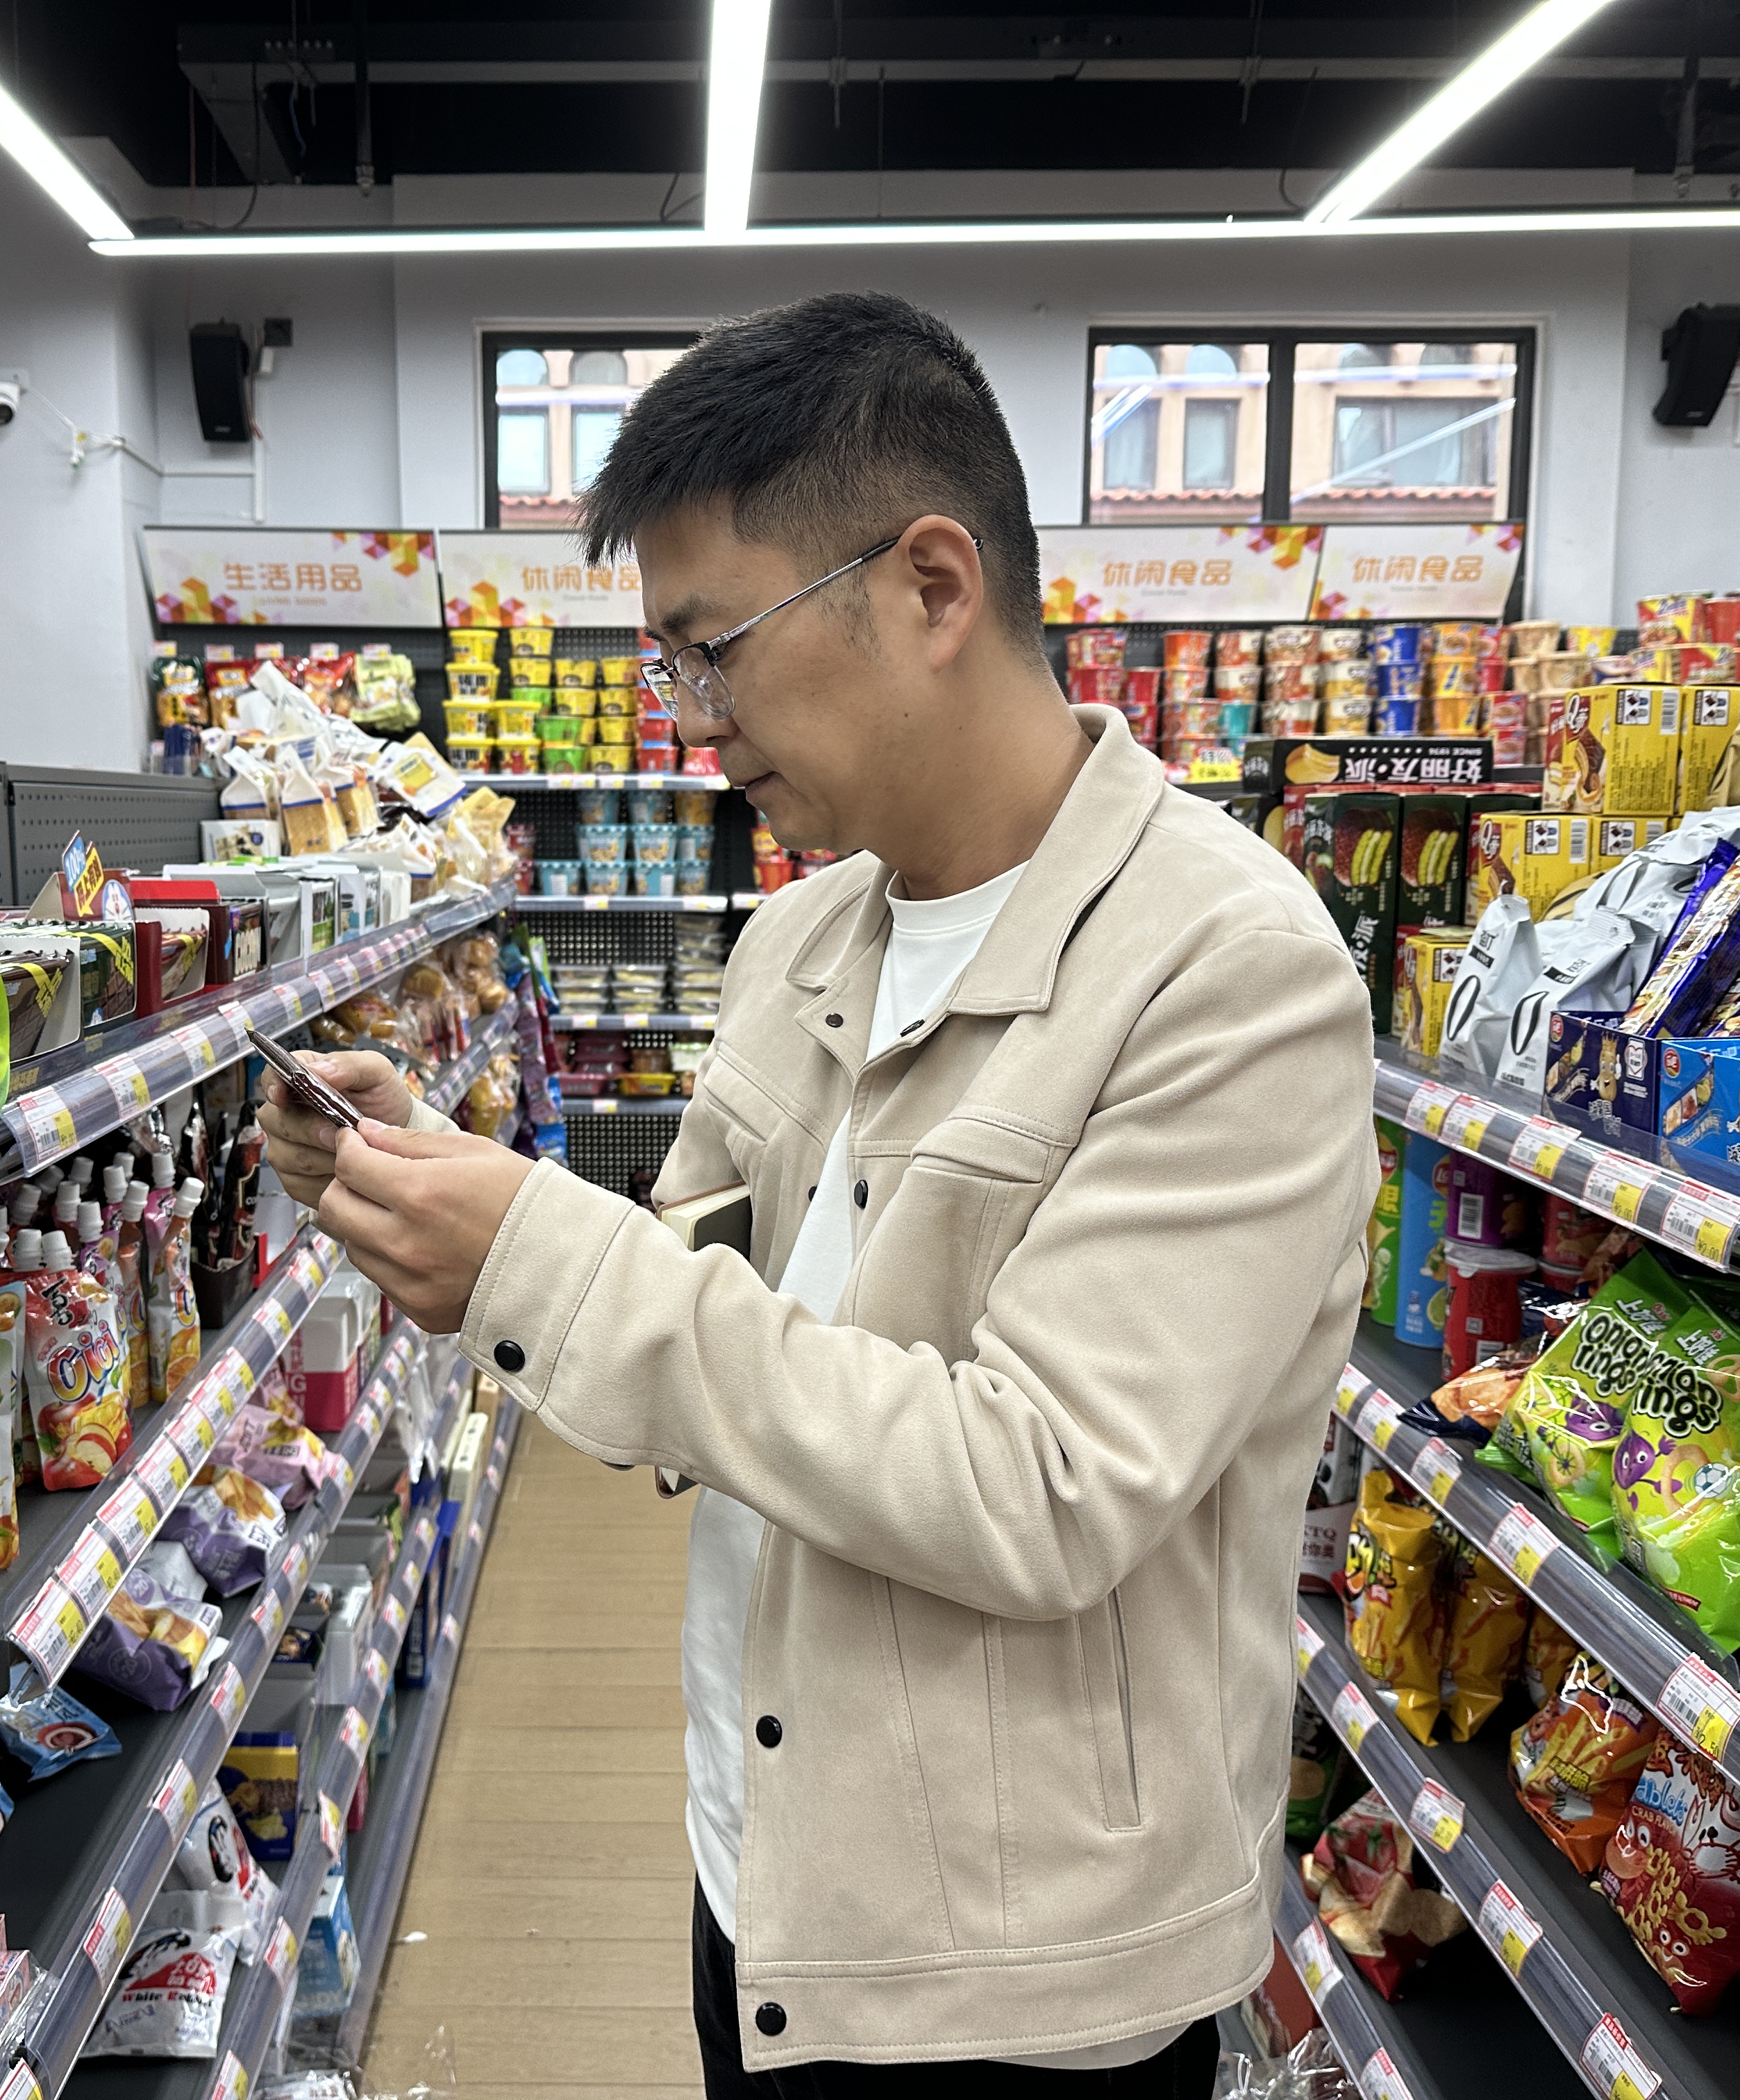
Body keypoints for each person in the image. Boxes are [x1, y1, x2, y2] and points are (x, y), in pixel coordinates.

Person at [257, 290, 1379, 2097]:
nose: (693, 718)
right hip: (763, 1863)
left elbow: (1044, 1487)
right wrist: (454, 1202)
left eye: (714, 649)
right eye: (669, 670)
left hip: (1021, 1981)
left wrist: (549, 1260)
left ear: (931, 588)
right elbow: (726, 1284)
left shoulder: (1229, 974)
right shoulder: (801, 938)